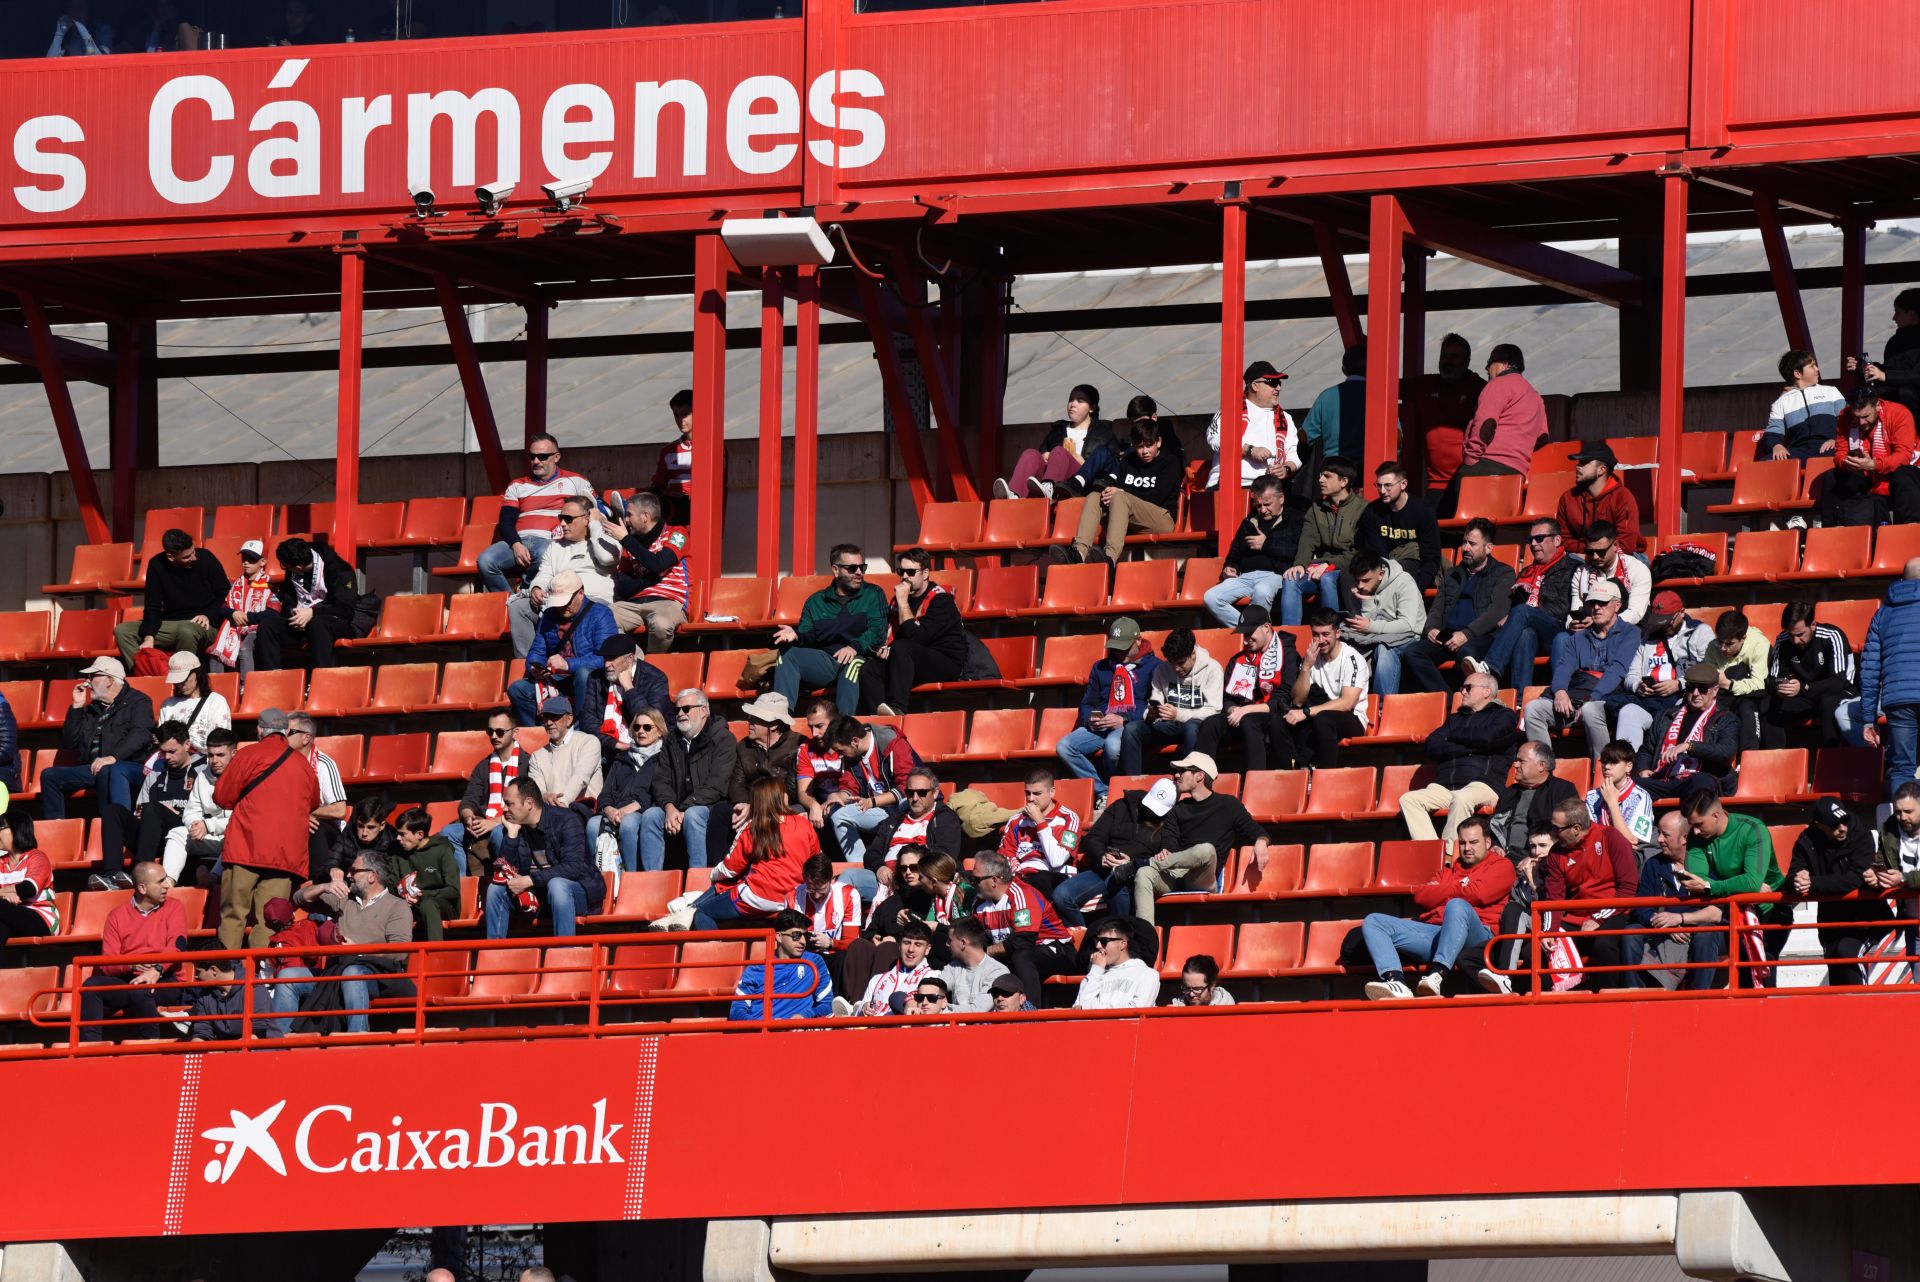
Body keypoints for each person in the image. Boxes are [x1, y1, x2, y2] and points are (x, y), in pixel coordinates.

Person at [1480, 795, 1636, 993]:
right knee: (1533, 951)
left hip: (1612, 911)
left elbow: (1628, 888)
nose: (1553, 832)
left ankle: (1608, 997)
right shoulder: (1556, 854)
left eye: (1557, 828)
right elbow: (1554, 899)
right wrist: (1549, 932)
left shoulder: (1610, 837)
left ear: (1576, 829)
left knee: (1603, 943)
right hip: (1576, 916)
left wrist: (1598, 918)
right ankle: (1562, 998)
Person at [1363, 816, 1514, 1000]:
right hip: (1439, 933)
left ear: (1488, 842)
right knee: (1374, 921)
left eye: (1474, 842)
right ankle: (1397, 982)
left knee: (1457, 906)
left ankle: (1437, 975)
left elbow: (1479, 894)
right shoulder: (1449, 871)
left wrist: (1444, 893)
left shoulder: (1501, 866)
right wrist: (1461, 889)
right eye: (1463, 843)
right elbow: (1421, 895)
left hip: (1479, 938)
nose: (1467, 848)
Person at [211, 708, 319, 949]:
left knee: (233, 915)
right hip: (285, 856)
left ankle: (226, 976)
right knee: (271, 919)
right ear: (286, 731)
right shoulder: (303, 765)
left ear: (259, 730)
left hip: (245, 849)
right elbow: (314, 802)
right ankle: (260, 977)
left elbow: (222, 796)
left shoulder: (248, 755)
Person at [1136, 753, 1267, 925]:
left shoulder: (1228, 804)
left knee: (1205, 849)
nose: (1176, 775)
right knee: (1143, 874)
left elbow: (1256, 830)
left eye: (1183, 771)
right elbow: (1170, 842)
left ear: (1200, 776)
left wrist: (1261, 841)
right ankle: (1145, 941)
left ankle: (1146, 863)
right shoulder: (1177, 810)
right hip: (1176, 873)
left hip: (1202, 876)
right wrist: (1165, 851)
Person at [1398, 671, 1518, 855]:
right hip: (1445, 786)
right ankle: (1432, 856)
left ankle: (1449, 857)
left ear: (1487, 691)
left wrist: (1452, 736)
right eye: (1462, 688)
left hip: (1484, 784)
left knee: (1461, 798)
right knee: (1409, 799)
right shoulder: (1455, 719)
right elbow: (1432, 745)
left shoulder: (1504, 715)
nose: (1462, 692)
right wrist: (1470, 748)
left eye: (1468, 687)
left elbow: (1487, 738)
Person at [1680, 792, 1788, 982]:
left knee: (1761, 967)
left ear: (1716, 815)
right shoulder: (1696, 836)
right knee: (1708, 941)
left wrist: (1709, 886)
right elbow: (1696, 881)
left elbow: (1751, 882)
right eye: (1692, 826)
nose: (1695, 832)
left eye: (1698, 824)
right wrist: (1739, 885)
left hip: (1770, 909)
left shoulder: (1752, 829)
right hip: (1731, 908)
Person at [771, 543, 888, 716]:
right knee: (787, 655)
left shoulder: (873, 594)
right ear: (835, 569)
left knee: (853, 665)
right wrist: (796, 636)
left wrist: (853, 647)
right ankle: (780, 719)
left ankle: (843, 727)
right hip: (827, 660)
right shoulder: (816, 601)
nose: (859, 573)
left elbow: (878, 632)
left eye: (862, 567)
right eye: (852, 568)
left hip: (860, 657)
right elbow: (808, 635)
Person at [1399, 520, 1515, 694]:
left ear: (1488, 548)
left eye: (1472, 544)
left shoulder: (1503, 573)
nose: (1465, 548)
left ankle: (1460, 698)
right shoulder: (1452, 573)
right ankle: (1446, 698)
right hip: (1447, 636)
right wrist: (1431, 628)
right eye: (1464, 542)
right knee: (1413, 652)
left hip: (1480, 637)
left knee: (1466, 655)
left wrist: (1467, 634)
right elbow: (1437, 608)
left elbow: (1496, 612)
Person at [1592, 590, 1714, 754]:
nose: (1663, 626)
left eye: (1667, 621)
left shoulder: (1699, 632)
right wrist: (1638, 685)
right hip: (1647, 697)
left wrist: (1679, 684)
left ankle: (1626, 769)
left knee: (1628, 710)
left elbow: (1710, 671)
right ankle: (1615, 768)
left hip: (1678, 700)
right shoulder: (1648, 636)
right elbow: (1631, 674)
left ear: (1681, 613)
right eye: (1659, 621)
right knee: (1602, 709)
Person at [1521, 579, 1640, 746]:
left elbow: (1618, 670)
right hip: (1576, 694)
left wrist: (1592, 699)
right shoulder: (1578, 637)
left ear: (1617, 605)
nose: (1596, 607)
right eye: (1592, 603)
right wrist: (1560, 691)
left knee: (1591, 710)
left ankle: (1601, 767)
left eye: (1602, 602)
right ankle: (1543, 766)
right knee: (1533, 709)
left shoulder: (1631, 633)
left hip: (1607, 695)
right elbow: (1564, 667)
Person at [689, 776, 817, 931]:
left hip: (759, 897)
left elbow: (730, 869)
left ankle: (715, 950)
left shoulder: (753, 827)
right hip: (795, 898)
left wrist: (713, 874)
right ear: (779, 797)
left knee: (701, 912)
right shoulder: (803, 823)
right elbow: (816, 860)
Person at [1783, 800, 1888, 987]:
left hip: (1865, 918)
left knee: (1847, 953)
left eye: (1844, 821)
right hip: (1830, 921)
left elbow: (1855, 878)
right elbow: (1792, 876)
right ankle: (1844, 1013)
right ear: (1819, 825)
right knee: (1835, 963)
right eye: (1834, 825)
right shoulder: (1807, 840)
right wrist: (1798, 880)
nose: (1842, 828)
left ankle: (1860, 1009)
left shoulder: (1859, 834)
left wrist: (1813, 882)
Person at [311, 850, 416, 1036]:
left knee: (352, 973)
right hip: (335, 971)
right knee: (290, 976)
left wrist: (359, 952)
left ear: (372, 876)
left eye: (354, 870)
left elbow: (400, 951)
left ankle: (357, 1039)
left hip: (379, 975)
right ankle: (279, 1045)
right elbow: (298, 898)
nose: (349, 874)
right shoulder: (344, 899)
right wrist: (324, 887)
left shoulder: (396, 906)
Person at [79, 861, 186, 1042]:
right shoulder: (116, 915)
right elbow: (108, 962)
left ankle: (150, 1047)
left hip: (166, 979)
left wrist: (156, 970)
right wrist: (132, 964)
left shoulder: (175, 907)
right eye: (160, 881)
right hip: (129, 978)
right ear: (142, 888)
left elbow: (178, 946)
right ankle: (90, 1049)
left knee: (140, 990)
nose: (166, 885)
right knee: (91, 986)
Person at [1057, 616, 1160, 803]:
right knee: (1064, 746)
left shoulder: (1155, 666)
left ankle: (1117, 792)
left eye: (1125, 648)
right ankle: (1103, 791)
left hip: (1129, 725)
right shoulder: (1101, 667)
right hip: (1101, 724)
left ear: (1138, 640)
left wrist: (1125, 719)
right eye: (1116, 647)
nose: (1119, 653)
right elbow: (1087, 703)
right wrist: (1091, 719)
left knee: (1113, 747)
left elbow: (1154, 705)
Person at [1052, 419, 1183, 566]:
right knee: (1095, 496)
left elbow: (1156, 496)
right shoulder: (1127, 461)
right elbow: (1119, 491)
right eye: (1140, 447)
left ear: (1158, 442)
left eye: (1149, 445)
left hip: (1161, 518)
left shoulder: (1170, 462)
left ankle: (1110, 557)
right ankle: (1079, 553)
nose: (1144, 451)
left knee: (1120, 496)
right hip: (1131, 518)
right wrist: (1108, 495)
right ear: (1133, 445)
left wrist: (1122, 493)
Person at [1466, 519, 1578, 689]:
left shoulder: (1572, 568)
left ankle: (1490, 666)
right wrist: (1520, 595)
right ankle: (1520, 700)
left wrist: (1529, 610)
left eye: (1539, 538)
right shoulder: (1527, 572)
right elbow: (1515, 610)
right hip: (1531, 629)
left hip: (1557, 630)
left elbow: (1561, 610)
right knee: (1525, 634)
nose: (1533, 544)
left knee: (1523, 612)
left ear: (1557, 540)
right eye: (1530, 540)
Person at [1622, 811, 1728, 991]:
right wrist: (1664, 923)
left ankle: (1698, 997)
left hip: (1701, 929)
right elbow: (1640, 907)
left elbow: (1717, 911)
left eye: (1666, 835)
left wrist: (1680, 919)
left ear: (1685, 838)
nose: (1660, 839)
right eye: (1660, 833)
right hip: (1663, 927)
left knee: (1706, 932)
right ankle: (1635, 995)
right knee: (1630, 933)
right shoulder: (1654, 864)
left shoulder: (1711, 862)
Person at [40, 656, 155, 821]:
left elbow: (140, 734)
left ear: (109, 680)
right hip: (92, 768)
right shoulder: (91, 708)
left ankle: (113, 824)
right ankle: (56, 826)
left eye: (93, 677)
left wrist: (113, 757)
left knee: (108, 771)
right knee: (49, 775)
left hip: (125, 765)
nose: (88, 682)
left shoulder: (138, 701)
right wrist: (76, 707)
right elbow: (70, 742)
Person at [477, 434, 596, 592]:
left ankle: (528, 593)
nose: (536, 461)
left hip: (552, 541)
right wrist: (516, 544)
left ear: (556, 457)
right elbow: (505, 522)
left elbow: (598, 508)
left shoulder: (575, 480)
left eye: (542, 456)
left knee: (543, 555)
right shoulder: (517, 485)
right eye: (532, 457)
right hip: (519, 541)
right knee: (485, 561)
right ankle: (511, 602)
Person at [486, 777, 602, 938]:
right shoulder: (516, 826)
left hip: (579, 893)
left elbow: (573, 868)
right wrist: (512, 835)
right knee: (495, 890)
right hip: (540, 896)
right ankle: (493, 955)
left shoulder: (566, 820)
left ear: (529, 803)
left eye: (509, 803)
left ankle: (563, 953)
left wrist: (529, 880)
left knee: (557, 885)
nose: (504, 809)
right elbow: (506, 872)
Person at [506, 496, 620, 658]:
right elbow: (544, 573)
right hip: (556, 602)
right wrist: (537, 587)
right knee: (518, 607)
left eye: (568, 519)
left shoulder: (606, 540)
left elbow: (607, 558)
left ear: (587, 518)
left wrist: (595, 526)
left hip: (591, 602)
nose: (562, 524)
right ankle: (529, 665)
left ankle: (580, 663)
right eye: (561, 518)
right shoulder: (556, 546)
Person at [92, 720, 197, 891]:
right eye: (163, 753)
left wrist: (173, 812)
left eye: (172, 751)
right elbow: (141, 808)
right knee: (113, 811)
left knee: (153, 807)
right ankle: (111, 875)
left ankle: (139, 874)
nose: (168, 757)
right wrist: (140, 813)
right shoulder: (156, 772)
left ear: (186, 744)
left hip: (182, 835)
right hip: (151, 833)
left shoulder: (201, 770)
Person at [1053, 778, 1174, 926]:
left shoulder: (1170, 822)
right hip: (1104, 868)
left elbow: (1166, 855)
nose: (1151, 811)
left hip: (1134, 873)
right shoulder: (1120, 806)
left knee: (1118, 880)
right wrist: (1102, 856)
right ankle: (1082, 940)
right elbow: (1094, 837)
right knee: (1062, 895)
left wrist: (1131, 862)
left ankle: (1119, 938)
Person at [506, 570, 619, 727]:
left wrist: (568, 665)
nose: (561, 607)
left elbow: (608, 657)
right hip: (557, 678)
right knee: (518, 689)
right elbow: (537, 650)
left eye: (566, 602)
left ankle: (583, 729)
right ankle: (539, 734)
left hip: (590, 680)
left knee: (583, 673)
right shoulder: (549, 616)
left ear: (580, 593)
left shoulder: (601, 614)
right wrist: (534, 667)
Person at [864, 547, 968, 715]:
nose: (904, 577)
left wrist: (903, 602)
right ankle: (879, 717)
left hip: (946, 662)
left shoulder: (941, 600)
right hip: (912, 658)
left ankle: (897, 709)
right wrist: (885, 649)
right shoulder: (899, 601)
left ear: (925, 573)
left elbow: (915, 638)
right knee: (870, 668)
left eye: (910, 572)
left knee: (903, 648)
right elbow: (895, 635)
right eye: (901, 571)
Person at [1196, 605, 1301, 770]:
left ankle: (1255, 780)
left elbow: (1284, 698)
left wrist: (1246, 711)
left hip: (1275, 716)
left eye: (1250, 633)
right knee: (1211, 724)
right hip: (1243, 717)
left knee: (1249, 720)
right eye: (1244, 634)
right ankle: (1200, 777)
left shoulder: (1287, 655)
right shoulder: (1238, 660)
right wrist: (1232, 710)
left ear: (1266, 628)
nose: (1245, 640)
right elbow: (1228, 697)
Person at [642, 690, 737, 870]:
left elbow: (717, 785)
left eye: (686, 709)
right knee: (651, 816)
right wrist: (669, 807)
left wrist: (685, 808)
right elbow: (660, 780)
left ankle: (698, 878)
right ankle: (651, 881)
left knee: (694, 815)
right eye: (676, 710)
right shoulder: (671, 740)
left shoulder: (723, 738)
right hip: (677, 807)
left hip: (710, 806)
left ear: (703, 711)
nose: (680, 714)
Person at [967, 851, 1077, 1005]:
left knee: (1022, 957)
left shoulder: (1021, 894)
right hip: (1014, 951)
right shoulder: (979, 903)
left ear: (994, 880)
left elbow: (1023, 940)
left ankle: (1030, 1012)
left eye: (976, 879)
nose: (972, 883)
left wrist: (986, 952)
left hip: (1056, 949)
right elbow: (977, 938)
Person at [1272, 607, 1370, 769]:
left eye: (1325, 634)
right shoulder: (1311, 658)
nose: (1321, 640)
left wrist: (1306, 712)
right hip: (1317, 714)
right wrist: (1305, 668)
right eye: (1316, 635)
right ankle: (1293, 773)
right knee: (1277, 723)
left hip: (1352, 718)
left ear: (1337, 633)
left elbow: (1346, 703)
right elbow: (1297, 701)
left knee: (1323, 719)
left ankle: (1325, 776)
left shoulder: (1352, 659)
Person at [114, 527, 226, 666]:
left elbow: (225, 593)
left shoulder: (206, 558)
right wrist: (149, 636)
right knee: (122, 631)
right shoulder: (156, 564)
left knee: (187, 631)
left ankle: (183, 678)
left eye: (194, 552)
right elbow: (153, 605)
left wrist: (208, 615)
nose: (194, 558)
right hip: (171, 623)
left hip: (204, 623)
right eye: (186, 557)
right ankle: (146, 673)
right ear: (170, 557)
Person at [1630, 663, 1740, 803]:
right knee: (1625, 785)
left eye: (1702, 689)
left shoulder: (1726, 718)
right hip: (1665, 779)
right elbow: (1646, 750)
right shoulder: (1666, 716)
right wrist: (1643, 769)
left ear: (1715, 690)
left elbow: (1726, 751)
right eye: (1690, 688)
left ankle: (1690, 823)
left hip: (1699, 779)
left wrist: (1689, 746)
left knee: (1700, 781)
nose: (1695, 693)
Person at [1276, 458, 1365, 625]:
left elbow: (1359, 551)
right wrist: (1300, 564)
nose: (1320, 480)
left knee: (1327, 578)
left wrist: (1331, 564)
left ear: (1344, 481)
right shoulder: (1317, 508)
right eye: (1320, 475)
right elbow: (1308, 539)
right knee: (1291, 579)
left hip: (1347, 569)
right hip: (1320, 567)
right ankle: (1290, 635)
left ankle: (1330, 630)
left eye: (1327, 476)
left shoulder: (1362, 509)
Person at [821, 716, 919, 867]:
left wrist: (872, 802)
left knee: (906, 802)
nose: (840, 755)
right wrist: (838, 796)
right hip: (879, 809)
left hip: (905, 809)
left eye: (841, 751)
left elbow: (908, 788)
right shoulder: (852, 754)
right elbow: (849, 786)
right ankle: (861, 867)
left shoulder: (892, 742)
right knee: (838, 814)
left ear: (855, 741)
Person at [1205, 475, 1303, 627]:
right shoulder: (1248, 522)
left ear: (1281, 498)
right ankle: (1253, 630)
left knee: (1262, 590)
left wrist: (1267, 544)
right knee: (1211, 597)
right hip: (1245, 577)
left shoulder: (1295, 519)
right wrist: (1230, 567)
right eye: (1258, 505)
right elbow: (1234, 554)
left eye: (1267, 504)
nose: (1263, 510)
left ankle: (1254, 633)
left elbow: (1296, 552)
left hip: (1276, 574)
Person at [257, 537, 369, 670]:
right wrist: (295, 615)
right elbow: (289, 600)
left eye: (285, 566)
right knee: (267, 626)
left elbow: (345, 609)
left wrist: (312, 612)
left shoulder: (340, 570)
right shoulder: (293, 571)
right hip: (304, 623)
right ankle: (272, 676)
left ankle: (321, 675)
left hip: (337, 622)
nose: (284, 569)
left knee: (318, 623)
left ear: (298, 567)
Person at [1861, 561, 1920, 798]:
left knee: (1902, 769)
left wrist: (1868, 718)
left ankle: (1905, 831)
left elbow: (1869, 670)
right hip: (1900, 698)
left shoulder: (1883, 613)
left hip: (1899, 700)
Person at [1124, 627, 1222, 771]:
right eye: (1171, 662)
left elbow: (1214, 710)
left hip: (1196, 726)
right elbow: (1155, 699)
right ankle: (1131, 783)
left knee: (1191, 727)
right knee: (1132, 729)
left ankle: (1187, 779)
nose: (1176, 668)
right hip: (1168, 725)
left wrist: (1179, 715)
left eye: (1181, 662)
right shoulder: (1161, 670)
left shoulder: (1213, 669)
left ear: (1193, 654)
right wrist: (1151, 715)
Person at [606, 491, 692, 654]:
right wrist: (650, 580)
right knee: (602, 619)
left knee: (661, 625)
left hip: (669, 602)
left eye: (629, 515)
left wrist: (625, 539)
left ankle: (651, 666)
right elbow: (623, 587)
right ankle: (638, 662)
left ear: (645, 516)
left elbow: (659, 563)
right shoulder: (630, 544)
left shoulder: (676, 533)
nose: (626, 520)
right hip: (633, 604)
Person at [996, 383, 1114, 500]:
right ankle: (1014, 494)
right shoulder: (1057, 431)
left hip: (1080, 481)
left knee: (1059, 451)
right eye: (1071, 399)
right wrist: (1045, 456)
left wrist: (1085, 464)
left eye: (1080, 401)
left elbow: (1112, 470)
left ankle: (1049, 486)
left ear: (1092, 408)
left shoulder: (1104, 435)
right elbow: (1041, 455)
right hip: (1053, 474)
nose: (1073, 404)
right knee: (1030, 454)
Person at [1764, 601, 1856, 748]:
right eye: (1790, 634)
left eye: (1800, 634)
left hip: (1840, 692)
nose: (1795, 640)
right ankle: (1776, 760)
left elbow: (1839, 681)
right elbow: (1775, 679)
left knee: (1828, 703)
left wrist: (1804, 687)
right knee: (1767, 705)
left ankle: (1829, 762)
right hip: (1806, 695)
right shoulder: (1782, 640)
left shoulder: (1832, 636)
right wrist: (1782, 688)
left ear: (1813, 624)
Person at [1405, 332, 1485, 495]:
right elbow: (1387, 384)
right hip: (1435, 485)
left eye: (1454, 356)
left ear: (1467, 361)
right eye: (1444, 355)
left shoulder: (1480, 388)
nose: (1448, 361)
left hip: (1469, 480)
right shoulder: (1425, 385)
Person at [454, 711, 532, 871]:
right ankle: (463, 888)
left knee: (499, 834)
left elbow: (528, 808)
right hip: (483, 821)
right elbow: (469, 799)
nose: (494, 736)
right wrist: (469, 818)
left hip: (515, 823)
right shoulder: (483, 766)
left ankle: (506, 878)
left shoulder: (529, 764)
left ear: (515, 732)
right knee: (448, 832)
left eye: (500, 732)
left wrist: (496, 822)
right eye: (490, 731)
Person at [593, 705, 668, 873]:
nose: (641, 731)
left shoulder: (664, 758)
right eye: (637, 727)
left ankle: (631, 877)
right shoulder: (622, 758)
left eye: (647, 727)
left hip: (645, 809)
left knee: (628, 824)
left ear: (660, 731)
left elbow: (663, 791)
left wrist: (634, 806)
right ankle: (602, 880)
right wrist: (609, 808)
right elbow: (605, 793)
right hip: (617, 811)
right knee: (592, 824)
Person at [1340, 550, 1425, 697]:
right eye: (1357, 580)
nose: (1360, 585)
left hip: (1408, 637)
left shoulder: (1404, 582)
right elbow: (1365, 623)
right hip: (1376, 635)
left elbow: (1408, 625)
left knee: (1384, 649)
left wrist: (1371, 626)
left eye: (1366, 580)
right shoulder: (1360, 587)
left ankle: (1382, 706)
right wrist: (1366, 601)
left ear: (1381, 573)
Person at [1456, 343, 1545, 480]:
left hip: (1486, 467)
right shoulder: (1535, 396)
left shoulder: (1498, 384)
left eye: (1490, 363)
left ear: (1504, 364)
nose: (1487, 369)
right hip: (1517, 474)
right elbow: (1542, 437)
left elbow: (1486, 424)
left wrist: (1470, 460)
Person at [1206, 361, 1299, 491]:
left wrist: (1286, 469)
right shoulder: (1230, 410)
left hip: (1270, 487)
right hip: (1229, 485)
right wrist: (1249, 450)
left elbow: (1294, 454)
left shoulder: (1286, 418)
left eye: (1279, 383)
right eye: (1272, 383)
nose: (1278, 388)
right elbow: (1214, 438)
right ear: (1255, 386)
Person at [728, 909, 832, 1022]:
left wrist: (805, 1015)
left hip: (796, 1031)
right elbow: (736, 1011)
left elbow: (827, 1004)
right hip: (761, 1032)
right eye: (796, 935)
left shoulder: (814, 962)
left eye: (805, 936)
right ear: (779, 937)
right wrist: (760, 1024)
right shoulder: (756, 969)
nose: (803, 941)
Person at [995, 769, 1083, 898]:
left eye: (1037, 793)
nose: (1031, 799)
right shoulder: (1016, 821)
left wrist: (1040, 822)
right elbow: (1005, 856)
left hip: (1057, 877)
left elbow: (1056, 861)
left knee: (1041, 878)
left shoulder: (1069, 819)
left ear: (1052, 792)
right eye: (1027, 793)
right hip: (1023, 877)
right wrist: (1019, 873)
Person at [1485, 741, 1580, 857]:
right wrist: (1495, 844)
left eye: (1521, 761)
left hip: (1541, 859)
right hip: (1504, 857)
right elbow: (1494, 826)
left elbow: (1570, 833)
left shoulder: (1562, 790)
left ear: (1541, 766)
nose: (1515, 765)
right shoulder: (1509, 792)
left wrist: (1540, 857)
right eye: (1516, 760)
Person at [164, 728, 234, 885]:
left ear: (234, 753)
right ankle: (167, 883)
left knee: (236, 837)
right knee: (177, 833)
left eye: (220, 755)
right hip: (210, 836)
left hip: (233, 838)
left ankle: (213, 878)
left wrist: (207, 825)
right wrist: (195, 825)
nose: (214, 760)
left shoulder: (245, 777)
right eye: (210, 755)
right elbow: (191, 810)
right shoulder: (203, 775)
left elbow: (241, 819)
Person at [1357, 461, 1440, 590]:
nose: (1383, 491)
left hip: (1415, 564)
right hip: (1384, 566)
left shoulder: (1423, 511)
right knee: (1347, 574)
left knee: (1397, 570)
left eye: (1388, 485)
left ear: (1403, 484)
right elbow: (1376, 552)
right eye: (1378, 486)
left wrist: (1419, 588)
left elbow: (1431, 555)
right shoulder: (1372, 511)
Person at [290, 713, 352, 879]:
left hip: (327, 828)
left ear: (306, 738)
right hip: (296, 820)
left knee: (312, 827)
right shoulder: (284, 763)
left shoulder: (324, 764)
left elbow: (339, 810)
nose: (283, 737)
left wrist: (305, 814)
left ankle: (317, 879)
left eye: (289, 732)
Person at [390, 807, 462, 942]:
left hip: (441, 905)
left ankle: (435, 955)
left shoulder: (442, 850)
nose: (398, 838)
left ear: (419, 834)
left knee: (427, 905)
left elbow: (453, 890)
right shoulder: (396, 850)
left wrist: (421, 895)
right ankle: (398, 959)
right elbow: (392, 883)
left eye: (403, 834)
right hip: (409, 904)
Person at [1757, 350, 1843, 462]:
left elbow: (1847, 421)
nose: (1817, 369)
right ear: (1797, 374)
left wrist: (1835, 440)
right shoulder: (1781, 402)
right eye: (1812, 366)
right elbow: (1773, 433)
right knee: (1764, 463)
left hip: (1830, 447)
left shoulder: (1831, 392)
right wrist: (1776, 446)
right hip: (1799, 451)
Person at [1556, 442, 1642, 554]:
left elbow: (1626, 545)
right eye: (1579, 462)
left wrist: (1593, 554)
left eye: (1584, 462)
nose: (1578, 466)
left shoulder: (1622, 498)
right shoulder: (1568, 498)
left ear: (1601, 470)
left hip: (1622, 557)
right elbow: (1562, 539)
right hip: (1581, 557)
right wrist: (1590, 554)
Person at [839, 918, 936, 1016]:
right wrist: (864, 1008)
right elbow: (860, 1019)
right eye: (906, 943)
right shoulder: (877, 979)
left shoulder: (934, 977)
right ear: (899, 945)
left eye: (918, 944)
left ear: (927, 949)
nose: (911, 949)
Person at [1704, 609, 1771, 752]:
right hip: (1724, 695)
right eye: (1720, 642)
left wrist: (1728, 684)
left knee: (1747, 706)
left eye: (1729, 644)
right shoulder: (1712, 647)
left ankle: (1748, 757)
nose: (1723, 648)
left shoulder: (1759, 644)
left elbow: (1759, 684)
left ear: (1743, 638)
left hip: (1753, 696)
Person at [730, 692, 802, 822]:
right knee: (720, 813)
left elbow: (793, 791)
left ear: (774, 724)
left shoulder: (797, 745)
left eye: (755, 717)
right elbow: (737, 785)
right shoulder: (744, 747)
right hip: (749, 803)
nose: (749, 720)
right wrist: (746, 805)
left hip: (782, 805)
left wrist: (757, 808)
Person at [208, 539, 275, 676]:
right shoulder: (236, 583)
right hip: (234, 626)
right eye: (244, 559)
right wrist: (233, 613)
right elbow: (222, 607)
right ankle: (217, 688)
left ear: (262, 562)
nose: (246, 563)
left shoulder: (270, 584)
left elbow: (274, 612)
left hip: (257, 628)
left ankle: (246, 686)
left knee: (245, 649)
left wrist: (247, 617)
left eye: (252, 560)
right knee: (215, 650)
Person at [592, 633, 670, 749]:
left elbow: (652, 722)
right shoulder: (596, 678)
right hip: (608, 746)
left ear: (629, 659)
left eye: (612, 658)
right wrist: (615, 744)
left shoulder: (655, 678)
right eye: (605, 658)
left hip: (649, 747)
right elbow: (589, 719)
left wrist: (629, 688)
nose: (607, 664)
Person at [1852, 287, 1920, 420]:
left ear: (1911, 315)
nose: (1894, 318)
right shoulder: (1895, 341)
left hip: (1913, 406)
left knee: (1906, 392)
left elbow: (1916, 375)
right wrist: (1863, 367)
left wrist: (1885, 375)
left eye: (1897, 312)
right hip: (1895, 401)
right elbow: (1890, 370)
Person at [1300, 341, 1370, 468]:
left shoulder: (1327, 396)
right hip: (1369, 467)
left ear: (1344, 370)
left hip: (1334, 468)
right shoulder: (1379, 397)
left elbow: (1305, 435)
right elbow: (1397, 436)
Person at [527, 696, 603, 812]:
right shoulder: (537, 756)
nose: (548, 722)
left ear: (569, 719)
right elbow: (536, 790)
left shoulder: (589, 742)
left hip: (583, 812)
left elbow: (580, 778)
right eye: (546, 718)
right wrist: (544, 796)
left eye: (554, 717)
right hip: (551, 814)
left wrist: (563, 802)